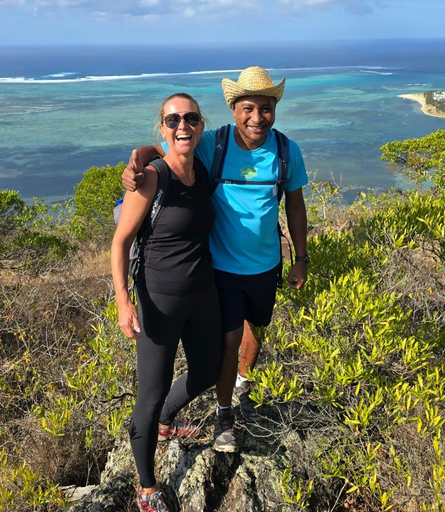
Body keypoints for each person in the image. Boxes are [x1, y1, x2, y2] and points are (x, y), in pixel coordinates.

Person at [122, 66, 309, 454]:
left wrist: (301, 257)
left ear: (275, 109)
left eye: (265, 108)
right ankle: (225, 416)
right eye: (247, 108)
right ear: (233, 108)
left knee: (256, 329)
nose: (256, 117)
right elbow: (169, 147)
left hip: (267, 266)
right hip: (220, 269)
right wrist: (136, 158)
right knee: (228, 341)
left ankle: (242, 381)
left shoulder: (288, 151)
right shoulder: (215, 143)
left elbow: (295, 204)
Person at [111, 92, 222, 512]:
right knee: (151, 392)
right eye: (173, 120)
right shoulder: (153, 178)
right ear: (162, 126)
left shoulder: (202, 172)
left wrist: (143, 150)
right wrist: (124, 302)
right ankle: (146, 486)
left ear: (200, 125)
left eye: (191, 118)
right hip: (159, 298)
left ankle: (164, 422)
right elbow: (120, 243)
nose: (183, 126)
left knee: (209, 369)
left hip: (202, 293)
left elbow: (156, 147)